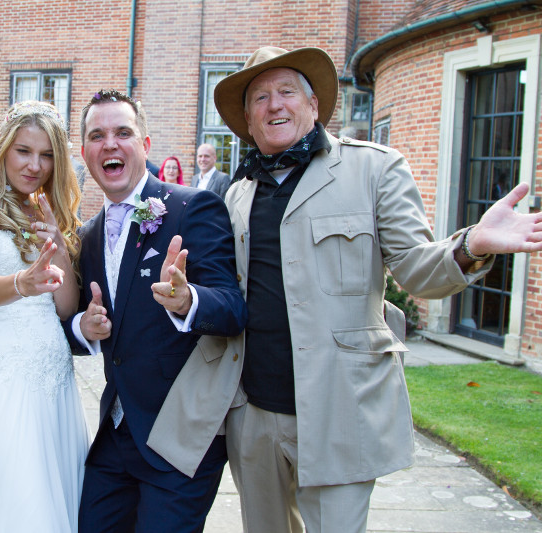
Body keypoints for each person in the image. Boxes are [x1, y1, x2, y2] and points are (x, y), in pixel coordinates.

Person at [207, 46, 542, 533]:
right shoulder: (238, 193)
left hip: (340, 408)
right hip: (253, 413)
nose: (273, 105)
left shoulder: (374, 169)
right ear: (249, 120)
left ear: (314, 105)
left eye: (285, 92)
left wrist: (471, 245)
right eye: (259, 97)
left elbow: (416, 269)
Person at [68, 89, 247, 532]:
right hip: (115, 433)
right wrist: (83, 327)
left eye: (123, 132)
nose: (110, 143)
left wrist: (189, 301)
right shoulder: (87, 236)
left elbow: (232, 307)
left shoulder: (192, 208)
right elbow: (78, 323)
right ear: (87, 153)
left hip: (179, 435)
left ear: (145, 145)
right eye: (97, 135)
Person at [0, 101, 88, 532]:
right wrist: (22, 284)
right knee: (15, 498)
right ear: (3, 148)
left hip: (53, 375)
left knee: (55, 495)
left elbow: (65, 308)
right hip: (1, 374)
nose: (35, 165)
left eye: (47, 155)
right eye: (24, 151)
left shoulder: (45, 209)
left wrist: (61, 247)